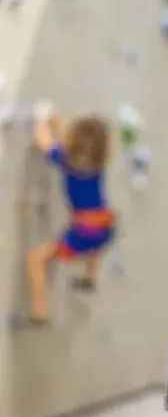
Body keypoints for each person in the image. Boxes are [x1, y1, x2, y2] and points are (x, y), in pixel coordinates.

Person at [27, 112, 115, 324]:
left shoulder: (64, 158)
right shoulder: (97, 164)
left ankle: (40, 311)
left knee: (36, 259)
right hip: (105, 223)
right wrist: (58, 124)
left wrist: (43, 119)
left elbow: (43, 140)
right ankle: (90, 277)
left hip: (83, 230)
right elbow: (80, 146)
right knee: (94, 246)